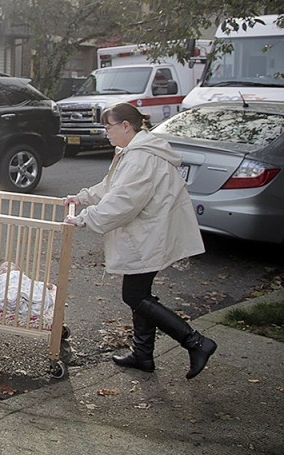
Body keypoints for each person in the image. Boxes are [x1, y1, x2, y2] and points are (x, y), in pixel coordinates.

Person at [63, 102, 216, 380]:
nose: (106, 132)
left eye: (108, 127)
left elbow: (124, 201)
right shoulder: (133, 152)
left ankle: (196, 342)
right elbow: (113, 186)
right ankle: (143, 355)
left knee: (134, 295)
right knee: (139, 294)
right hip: (150, 231)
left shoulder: (140, 157)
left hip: (150, 234)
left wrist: (85, 218)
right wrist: (83, 197)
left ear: (126, 126)